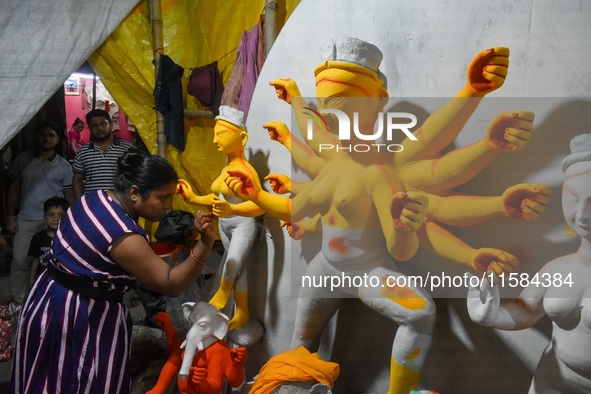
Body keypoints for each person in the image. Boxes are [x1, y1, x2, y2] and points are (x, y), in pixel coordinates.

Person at [226, 38, 547, 393]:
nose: (334, 120)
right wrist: (256, 193)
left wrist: (472, 92)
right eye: (328, 110)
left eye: (344, 109)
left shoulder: (380, 173)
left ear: (377, 104)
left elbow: (404, 250)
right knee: (297, 350)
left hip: (367, 273)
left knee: (420, 313)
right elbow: (295, 203)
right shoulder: (334, 160)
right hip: (324, 268)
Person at [10, 149, 217, 394]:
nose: (168, 206)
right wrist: (205, 245)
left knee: (47, 376)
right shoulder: (121, 233)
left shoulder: (94, 198)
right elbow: (170, 283)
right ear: (134, 193)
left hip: (48, 298)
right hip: (79, 315)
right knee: (80, 380)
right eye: (162, 197)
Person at [467, 133, 591, 393]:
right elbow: (526, 311)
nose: (581, 215)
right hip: (552, 380)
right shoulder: (558, 268)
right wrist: (492, 314)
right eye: (572, 199)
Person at [177, 105, 264, 331]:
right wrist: (194, 198)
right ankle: (243, 312)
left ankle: (224, 291)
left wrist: (232, 210)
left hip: (242, 225)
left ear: (242, 138)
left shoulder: (246, 171)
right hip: (225, 225)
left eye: (221, 134)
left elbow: (260, 206)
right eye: (216, 134)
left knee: (232, 263)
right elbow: (217, 197)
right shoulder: (227, 168)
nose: (216, 140)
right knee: (239, 269)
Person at [6, 120, 74, 307]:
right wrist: (10, 217)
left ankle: (53, 298)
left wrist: (71, 220)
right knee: (20, 261)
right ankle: (20, 302)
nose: (46, 138)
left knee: (54, 261)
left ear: (58, 139)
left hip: (54, 220)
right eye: (43, 135)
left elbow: (69, 194)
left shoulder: (63, 165)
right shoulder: (23, 159)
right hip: (26, 218)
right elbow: (14, 189)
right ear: (36, 137)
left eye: (51, 135)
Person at [72, 109, 133, 200]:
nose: (99, 128)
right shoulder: (82, 152)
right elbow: (77, 180)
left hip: (121, 205)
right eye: (94, 125)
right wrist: (80, 203)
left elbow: (135, 177)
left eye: (103, 124)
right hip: (92, 205)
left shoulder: (127, 148)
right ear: (90, 128)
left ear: (111, 124)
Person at [27, 196, 69, 286]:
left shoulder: (69, 238)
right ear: (44, 217)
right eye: (51, 215)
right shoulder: (38, 238)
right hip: (43, 280)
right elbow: (35, 260)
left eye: (61, 215)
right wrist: (31, 280)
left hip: (64, 281)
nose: (55, 219)